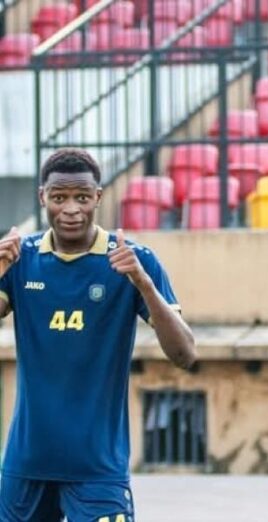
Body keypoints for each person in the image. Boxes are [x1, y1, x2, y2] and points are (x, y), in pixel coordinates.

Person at [0, 148, 196, 522]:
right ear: (43, 197)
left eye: (82, 197)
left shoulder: (134, 260)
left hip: (98, 470)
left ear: (98, 197)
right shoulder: (21, 260)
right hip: (26, 467)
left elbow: (185, 354)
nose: (71, 209)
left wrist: (144, 285)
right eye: (59, 198)